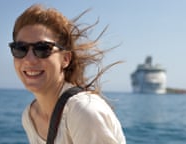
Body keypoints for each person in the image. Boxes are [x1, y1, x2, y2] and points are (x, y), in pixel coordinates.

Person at [9, 4, 126, 144]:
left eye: (42, 49)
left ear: (65, 59)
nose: (29, 59)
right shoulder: (30, 116)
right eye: (20, 49)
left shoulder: (84, 111)